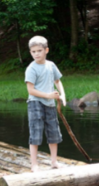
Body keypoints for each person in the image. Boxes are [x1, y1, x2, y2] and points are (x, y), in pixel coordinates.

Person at [25, 36, 67, 172]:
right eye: (33, 51)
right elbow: (31, 90)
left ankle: (54, 161)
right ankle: (34, 164)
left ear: (46, 50)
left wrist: (63, 95)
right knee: (35, 132)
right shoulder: (31, 68)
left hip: (50, 104)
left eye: (39, 50)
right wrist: (48, 95)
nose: (36, 54)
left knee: (54, 132)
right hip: (35, 103)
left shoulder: (51, 65)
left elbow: (57, 81)